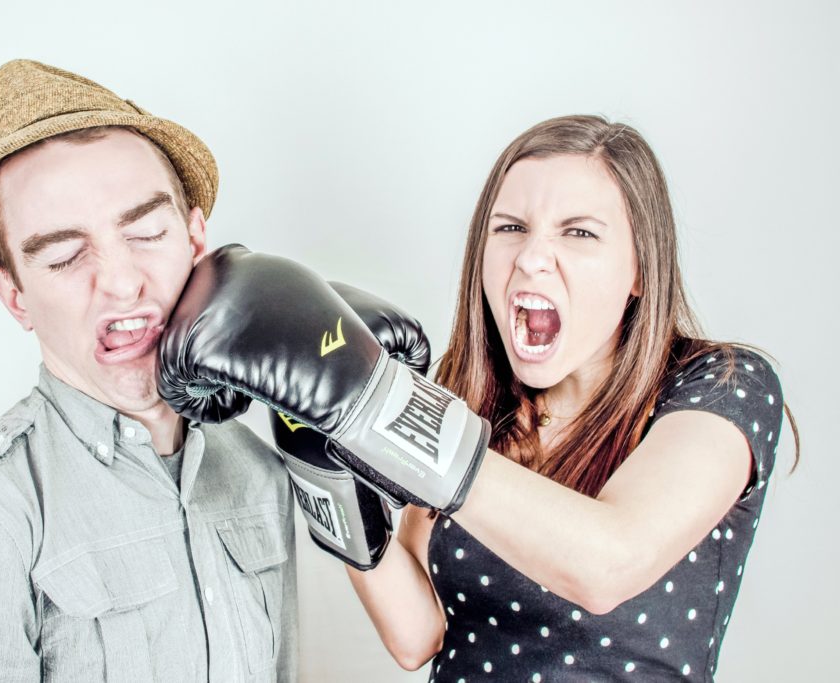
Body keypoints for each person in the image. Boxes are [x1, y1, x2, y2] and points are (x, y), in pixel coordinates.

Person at [155, 115, 797, 682]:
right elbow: (417, 636)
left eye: (579, 233)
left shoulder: (721, 385)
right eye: (511, 227)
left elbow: (608, 563)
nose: (531, 258)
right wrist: (318, 452)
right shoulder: (469, 397)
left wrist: (380, 406)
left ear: (639, 269)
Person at [0, 59, 297, 682]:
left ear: (196, 241)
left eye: (146, 232)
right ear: (14, 297)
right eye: (64, 256)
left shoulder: (257, 471)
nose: (120, 282)